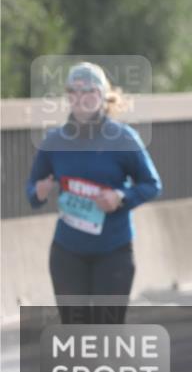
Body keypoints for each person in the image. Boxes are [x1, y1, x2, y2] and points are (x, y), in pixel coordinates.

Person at [26, 62, 162, 324]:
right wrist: (39, 192)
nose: (81, 98)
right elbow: (32, 191)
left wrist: (120, 197)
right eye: (73, 91)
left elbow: (151, 184)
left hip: (114, 249)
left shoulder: (123, 138)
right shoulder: (54, 141)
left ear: (102, 96)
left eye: (89, 91)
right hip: (67, 250)